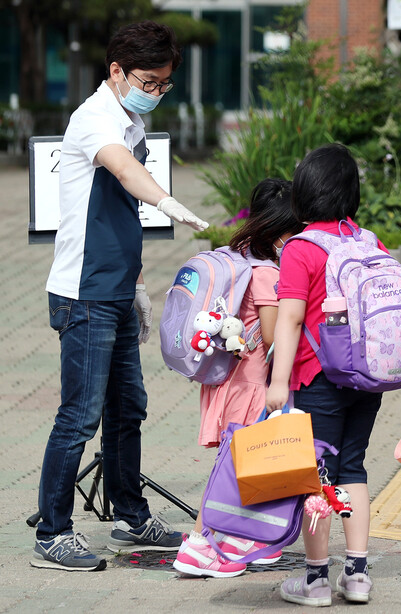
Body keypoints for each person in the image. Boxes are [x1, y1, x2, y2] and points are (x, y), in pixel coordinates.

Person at [34, 21, 210, 572]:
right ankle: (52, 533)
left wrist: (136, 284)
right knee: (79, 417)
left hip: (114, 288)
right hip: (84, 295)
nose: (155, 92)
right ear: (116, 71)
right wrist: (168, 202)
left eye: (164, 85)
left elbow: (113, 213)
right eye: (148, 81)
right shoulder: (94, 119)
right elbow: (126, 173)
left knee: (126, 408)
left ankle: (130, 516)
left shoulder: (129, 117)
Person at [264, 144, 387, 606]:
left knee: (317, 476)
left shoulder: (301, 248)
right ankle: (357, 575)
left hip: (319, 378)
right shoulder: (368, 240)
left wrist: (279, 383)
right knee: (352, 466)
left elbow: (291, 319)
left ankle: (316, 581)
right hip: (367, 376)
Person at [173, 178, 305, 578]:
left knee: (252, 464)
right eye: (292, 231)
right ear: (279, 229)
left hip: (229, 379)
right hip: (250, 384)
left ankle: (254, 540)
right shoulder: (265, 273)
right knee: (232, 466)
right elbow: (270, 335)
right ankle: (199, 543)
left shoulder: (239, 255)